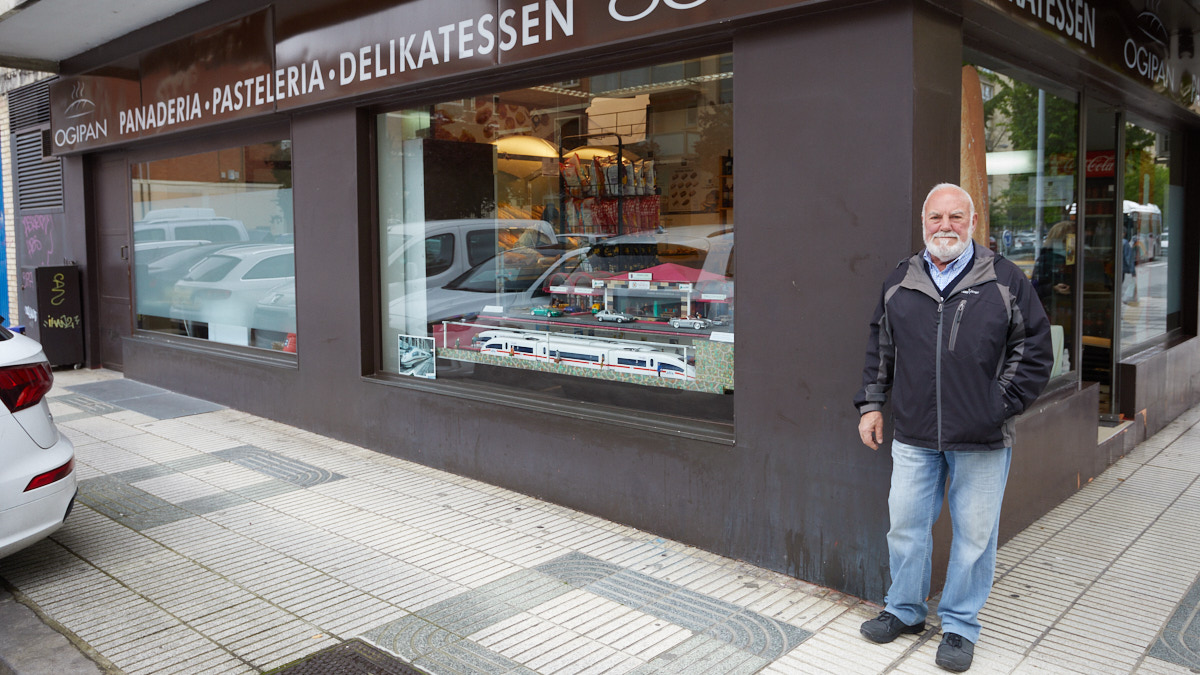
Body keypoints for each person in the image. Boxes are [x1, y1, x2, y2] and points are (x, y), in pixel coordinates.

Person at [853, 183, 1053, 672]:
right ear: (924, 224)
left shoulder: (1004, 279)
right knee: (906, 526)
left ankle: (960, 626)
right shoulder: (901, 279)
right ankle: (905, 609)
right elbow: (881, 348)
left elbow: (1034, 352)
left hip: (982, 436)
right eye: (936, 218)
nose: (945, 227)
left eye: (955, 218)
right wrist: (871, 405)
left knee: (974, 536)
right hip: (915, 434)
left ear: (972, 222)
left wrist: (998, 405)